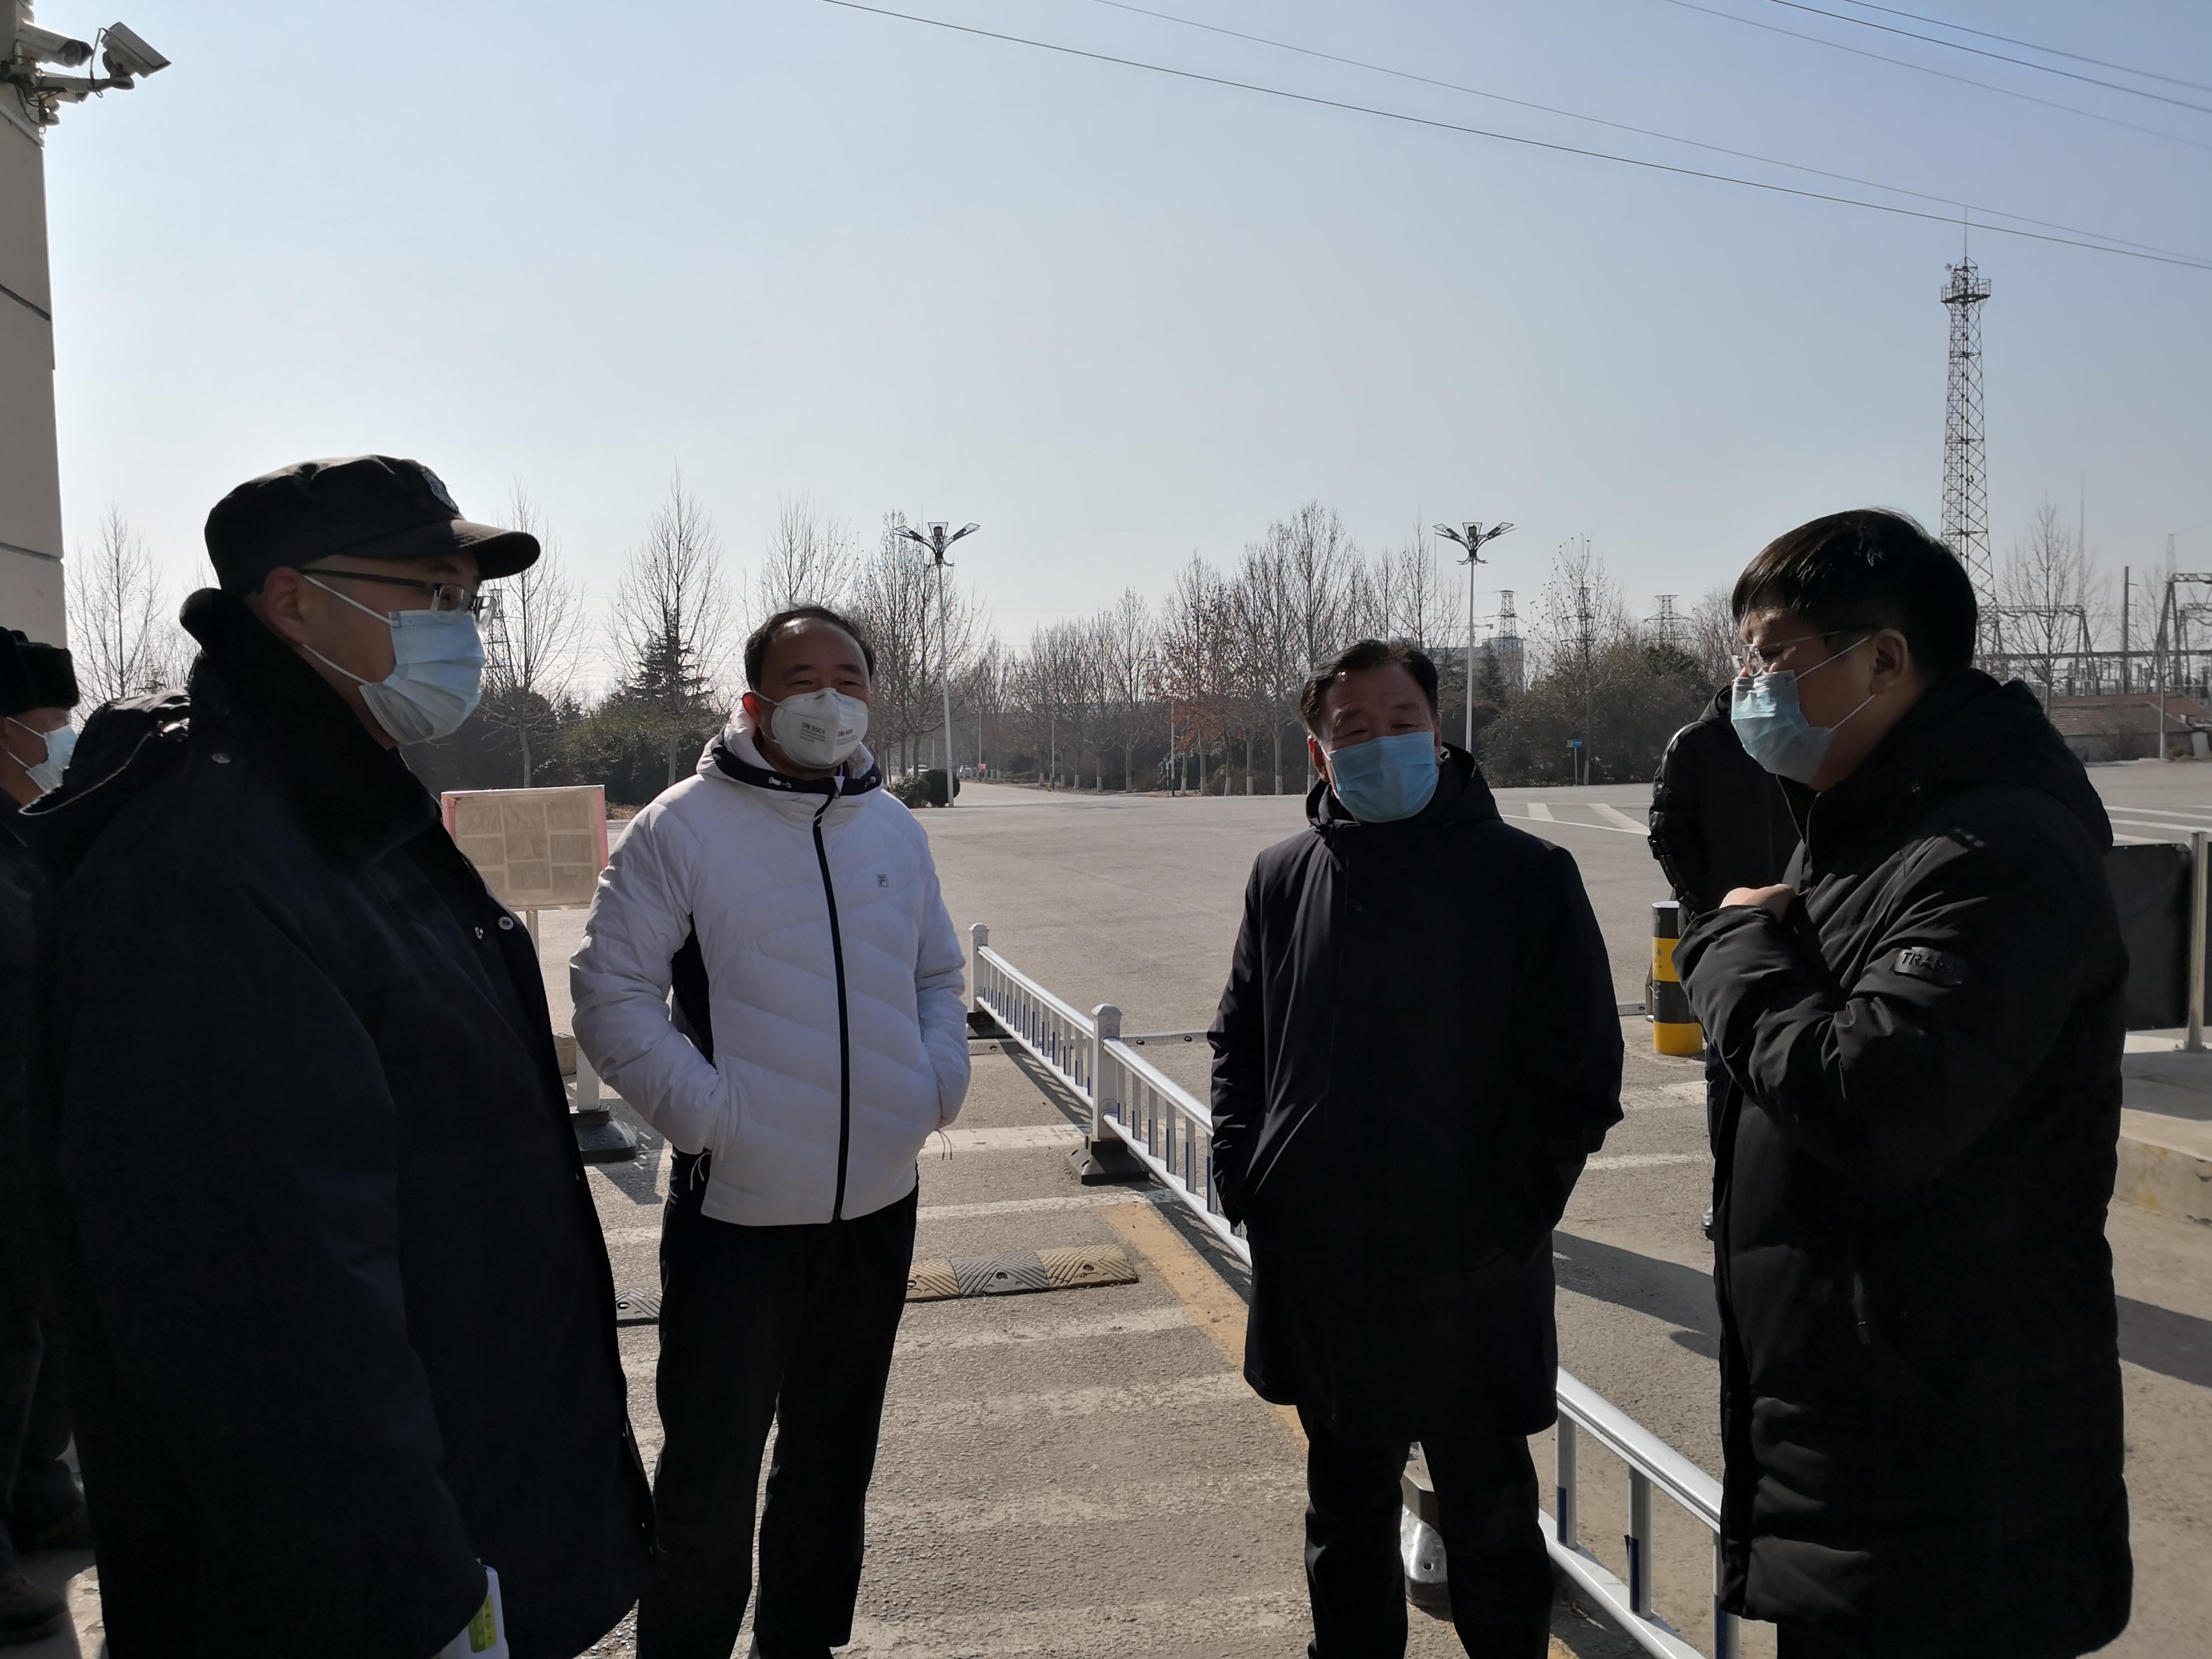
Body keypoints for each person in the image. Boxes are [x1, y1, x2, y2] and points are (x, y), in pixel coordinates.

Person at [22, 456, 651, 1658]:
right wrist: (423, 1603)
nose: (460, 628)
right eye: (428, 592)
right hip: (356, 1593)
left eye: (467, 600)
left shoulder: (347, 809)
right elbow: (265, 1311)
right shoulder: (207, 870)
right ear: (292, 602)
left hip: (465, 1502)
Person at [1675, 509, 2130, 1659]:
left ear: (1882, 658)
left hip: (1949, 1476)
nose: (1748, 688)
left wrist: (1726, 950)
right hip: (1866, 1445)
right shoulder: (1868, 831)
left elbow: (1873, 1100)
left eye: (1772, 656)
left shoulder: (1992, 852)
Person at [1209, 638, 1624, 1659]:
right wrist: (1244, 1171)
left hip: (1467, 1266)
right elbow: (1240, 1038)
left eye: (1400, 721)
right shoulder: (1284, 876)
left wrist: (1506, 1220)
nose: (1378, 742)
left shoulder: (1525, 875)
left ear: (1436, 731)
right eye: (1350, 729)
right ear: (1319, 753)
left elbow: (1575, 1075)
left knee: (1490, 1513)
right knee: (1342, 1511)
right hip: (1323, 1264)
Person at [572, 606, 970, 1659]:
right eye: (802, 678)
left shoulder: (893, 829)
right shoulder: (682, 827)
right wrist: (711, 1120)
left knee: (834, 1455)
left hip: (876, 1205)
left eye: (849, 676)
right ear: (753, 702)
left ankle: (801, 1640)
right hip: (738, 1213)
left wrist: (932, 1085)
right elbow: (611, 993)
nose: (829, 697)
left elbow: (935, 974)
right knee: (711, 1468)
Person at [0, 631, 85, 1646]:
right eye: (50, 726)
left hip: (40, 1127)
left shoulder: (32, 833)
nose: (63, 743)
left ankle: (38, 1490)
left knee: (47, 1322)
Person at [1648, 682, 1802, 1172]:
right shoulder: (1697, 743)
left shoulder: (1802, 736)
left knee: (1794, 1061)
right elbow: (1668, 835)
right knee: (1728, 1065)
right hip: (1724, 932)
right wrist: (1713, 913)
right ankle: (1729, 1182)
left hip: (1800, 927)